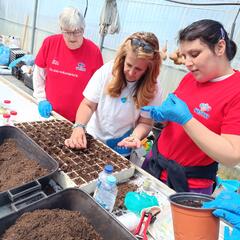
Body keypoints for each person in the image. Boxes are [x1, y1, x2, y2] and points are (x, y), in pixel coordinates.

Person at [142, 19, 240, 194]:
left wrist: (187, 120)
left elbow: (232, 155)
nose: (187, 62)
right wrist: (163, 117)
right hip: (155, 164)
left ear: (220, 47)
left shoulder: (236, 90)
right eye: (185, 55)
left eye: (194, 54)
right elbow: (174, 121)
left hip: (188, 185)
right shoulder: (191, 78)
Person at [65, 31, 162, 157]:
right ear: (123, 58)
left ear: (149, 69)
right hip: (93, 138)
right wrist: (79, 126)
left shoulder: (153, 87)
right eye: (128, 65)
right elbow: (88, 105)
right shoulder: (107, 71)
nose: (131, 72)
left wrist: (134, 137)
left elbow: (146, 122)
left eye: (138, 69)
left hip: (121, 145)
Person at [33, 7, 103, 122]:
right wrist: (41, 98)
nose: (72, 37)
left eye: (77, 32)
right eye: (67, 32)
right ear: (61, 28)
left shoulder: (94, 52)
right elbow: (38, 74)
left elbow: (99, 87)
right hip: (50, 114)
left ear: (83, 29)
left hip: (79, 120)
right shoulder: (50, 43)